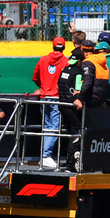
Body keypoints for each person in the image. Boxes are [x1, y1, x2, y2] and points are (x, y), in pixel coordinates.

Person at [31, 36, 68, 170]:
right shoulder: (66, 62)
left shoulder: (43, 59)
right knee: (54, 127)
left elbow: (35, 77)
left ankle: (45, 156)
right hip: (57, 98)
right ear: (63, 47)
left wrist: (42, 87)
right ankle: (46, 156)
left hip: (44, 96)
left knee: (47, 126)